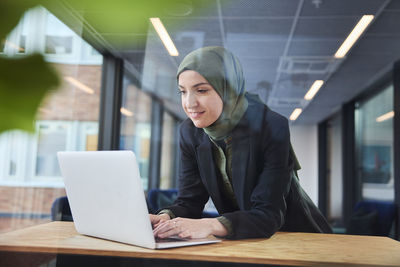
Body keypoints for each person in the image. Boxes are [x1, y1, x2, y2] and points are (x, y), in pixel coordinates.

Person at [151, 46, 332, 240]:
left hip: (295, 236)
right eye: (182, 92)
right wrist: (165, 218)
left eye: (201, 90)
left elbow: (268, 215)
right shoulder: (190, 132)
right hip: (242, 236)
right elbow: (190, 201)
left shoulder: (270, 126)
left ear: (228, 90)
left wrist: (211, 224)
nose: (189, 103)